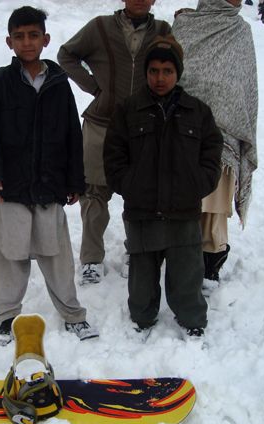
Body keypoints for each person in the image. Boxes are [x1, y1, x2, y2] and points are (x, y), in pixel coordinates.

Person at [0, 6, 99, 345]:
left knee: (56, 254)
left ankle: (72, 313)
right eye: (19, 36)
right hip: (10, 187)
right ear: (9, 41)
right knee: (10, 255)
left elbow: (73, 134)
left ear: (46, 39)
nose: (26, 42)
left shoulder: (59, 83)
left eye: (33, 35)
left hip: (49, 185)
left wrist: (75, 180)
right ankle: (8, 315)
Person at [103, 35, 223, 337]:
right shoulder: (129, 110)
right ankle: (142, 320)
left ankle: (193, 321)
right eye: (154, 70)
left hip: (183, 210)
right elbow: (114, 156)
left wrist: (197, 184)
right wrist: (130, 185)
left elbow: (211, 156)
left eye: (167, 71)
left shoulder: (198, 111)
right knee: (142, 280)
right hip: (142, 210)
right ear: (146, 73)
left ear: (177, 73)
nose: (160, 78)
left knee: (187, 275)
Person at [57, 0, 171, 285]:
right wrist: (96, 87)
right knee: (94, 193)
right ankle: (91, 258)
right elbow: (66, 54)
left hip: (144, 126)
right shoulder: (100, 27)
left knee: (142, 193)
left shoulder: (162, 30)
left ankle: (137, 251)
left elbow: (176, 64)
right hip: (102, 123)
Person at [173, 0, 258, 287]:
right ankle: (180, 258)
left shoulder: (240, 31)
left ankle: (210, 266)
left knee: (214, 206)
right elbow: (176, 73)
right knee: (184, 202)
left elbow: (244, 84)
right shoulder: (186, 25)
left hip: (224, 137)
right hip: (183, 131)